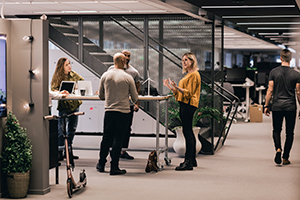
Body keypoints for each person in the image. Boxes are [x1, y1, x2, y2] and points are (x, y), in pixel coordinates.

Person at [96, 52, 138, 175]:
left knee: (106, 138)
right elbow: (135, 98)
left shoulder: (105, 75)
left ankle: (101, 164)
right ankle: (114, 167)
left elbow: (101, 96)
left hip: (109, 111)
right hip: (123, 111)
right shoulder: (128, 77)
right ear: (123, 61)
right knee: (118, 139)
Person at [163, 52, 201, 171]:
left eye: (186, 60)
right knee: (188, 131)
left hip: (189, 105)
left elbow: (189, 93)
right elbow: (180, 94)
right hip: (185, 104)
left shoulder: (194, 74)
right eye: (183, 60)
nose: (184, 62)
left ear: (192, 61)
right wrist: (171, 87)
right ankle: (192, 160)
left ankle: (188, 161)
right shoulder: (187, 75)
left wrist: (177, 88)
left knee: (187, 132)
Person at [264, 49, 300, 165]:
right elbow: (299, 93)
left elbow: (270, 90)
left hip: (277, 106)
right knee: (290, 133)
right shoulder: (296, 74)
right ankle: (285, 157)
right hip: (290, 106)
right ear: (290, 59)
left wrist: (266, 105)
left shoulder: (274, 72)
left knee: (276, 130)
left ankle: (278, 149)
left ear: (280, 58)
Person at [109, 49, 141, 159]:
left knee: (127, 129)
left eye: (128, 56)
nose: (127, 57)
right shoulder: (110, 70)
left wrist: (137, 104)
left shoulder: (134, 72)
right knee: (112, 129)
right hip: (113, 104)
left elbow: (137, 90)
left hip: (128, 105)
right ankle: (112, 150)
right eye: (125, 55)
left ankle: (123, 151)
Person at [51, 57, 84, 161]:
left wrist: (76, 87)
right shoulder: (57, 76)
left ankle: (68, 150)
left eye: (69, 64)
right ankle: (60, 151)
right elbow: (53, 89)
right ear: (62, 67)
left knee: (72, 129)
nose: (69, 66)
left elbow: (82, 82)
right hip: (64, 106)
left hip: (75, 104)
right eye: (66, 65)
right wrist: (60, 92)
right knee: (61, 130)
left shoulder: (73, 74)